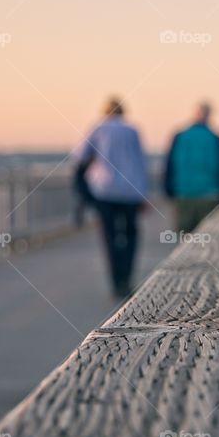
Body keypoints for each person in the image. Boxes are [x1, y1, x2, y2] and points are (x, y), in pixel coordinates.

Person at [73, 96, 149, 298]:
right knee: (131, 235)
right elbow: (141, 163)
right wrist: (143, 194)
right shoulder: (132, 130)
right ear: (123, 111)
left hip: (104, 191)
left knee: (110, 236)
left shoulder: (98, 128)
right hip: (130, 191)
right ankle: (127, 278)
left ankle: (116, 283)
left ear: (105, 111)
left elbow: (79, 156)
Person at [163, 102, 219, 233]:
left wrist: (169, 190)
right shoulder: (216, 138)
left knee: (185, 237)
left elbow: (169, 165)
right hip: (210, 194)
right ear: (209, 115)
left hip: (183, 194)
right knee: (207, 236)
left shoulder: (179, 136)